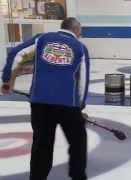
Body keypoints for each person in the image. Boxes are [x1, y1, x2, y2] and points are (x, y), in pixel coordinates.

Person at [1, 17, 90, 180]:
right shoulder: (80, 47)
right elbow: (83, 81)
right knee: (78, 143)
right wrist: (80, 107)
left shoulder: (41, 38)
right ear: (76, 30)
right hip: (67, 105)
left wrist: (7, 79)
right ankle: (78, 176)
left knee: (42, 146)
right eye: (80, 31)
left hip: (39, 103)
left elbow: (15, 54)